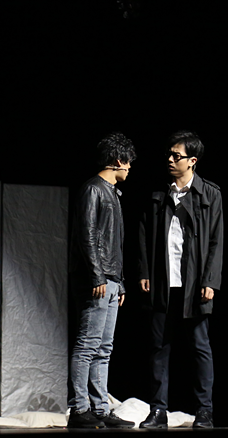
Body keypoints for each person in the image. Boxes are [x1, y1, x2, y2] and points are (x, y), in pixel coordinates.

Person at [138, 130, 223, 429]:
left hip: (194, 284)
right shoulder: (158, 193)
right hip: (163, 281)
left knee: (200, 347)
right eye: (169, 155)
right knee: (158, 348)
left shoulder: (210, 194)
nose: (171, 160)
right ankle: (158, 410)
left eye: (177, 156)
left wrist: (210, 280)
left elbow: (216, 241)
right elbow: (144, 234)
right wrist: (144, 271)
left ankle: (204, 411)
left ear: (193, 161)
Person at [67, 133, 137, 429]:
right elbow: (86, 235)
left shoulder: (112, 193)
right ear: (118, 160)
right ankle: (79, 408)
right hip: (96, 280)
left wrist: (120, 282)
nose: (130, 168)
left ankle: (99, 408)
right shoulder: (93, 189)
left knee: (104, 348)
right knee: (88, 345)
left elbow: (114, 244)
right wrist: (98, 275)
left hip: (111, 280)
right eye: (129, 162)